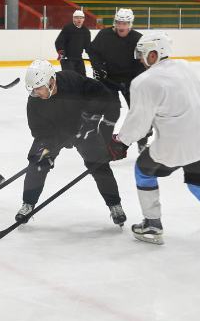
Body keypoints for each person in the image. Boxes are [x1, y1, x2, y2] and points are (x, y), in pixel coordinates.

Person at [112, 31, 200, 250]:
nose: (139, 58)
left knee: (143, 170)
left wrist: (120, 141)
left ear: (155, 54)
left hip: (174, 146)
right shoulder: (185, 66)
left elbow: (138, 123)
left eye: (142, 53)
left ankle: (152, 226)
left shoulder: (143, 82)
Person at [18, 60, 128, 227]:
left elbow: (102, 94)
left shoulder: (72, 80)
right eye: (32, 88)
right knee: (37, 164)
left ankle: (115, 205)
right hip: (54, 134)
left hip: (83, 129)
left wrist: (92, 118)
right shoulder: (34, 101)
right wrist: (44, 147)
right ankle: (28, 204)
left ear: (51, 82)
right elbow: (40, 130)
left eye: (38, 88)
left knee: (100, 166)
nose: (35, 92)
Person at [88, 8, 149, 152]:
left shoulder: (138, 38)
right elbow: (92, 51)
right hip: (109, 80)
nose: (122, 26)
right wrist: (97, 67)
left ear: (130, 24)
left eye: (125, 23)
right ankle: (104, 144)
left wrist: (140, 77)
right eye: (119, 23)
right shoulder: (104, 35)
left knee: (138, 113)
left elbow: (142, 61)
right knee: (112, 112)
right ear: (115, 23)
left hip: (131, 82)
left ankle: (143, 143)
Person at [54, 9, 91, 76]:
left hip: (78, 58)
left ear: (83, 19)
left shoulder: (86, 31)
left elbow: (87, 46)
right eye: (77, 18)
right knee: (69, 77)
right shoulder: (68, 28)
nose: (79, 20)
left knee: (82, 77)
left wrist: (93, 55)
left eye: (81, 18)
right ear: (73, 19)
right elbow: (59, 41)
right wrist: (61, 52)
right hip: (68, 58)